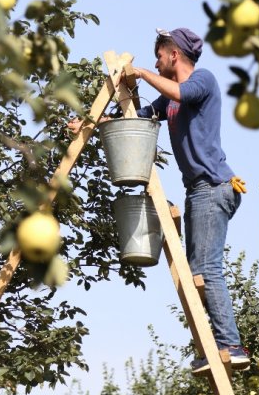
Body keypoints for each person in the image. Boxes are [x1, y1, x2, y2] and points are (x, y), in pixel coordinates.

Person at [68, 27, 249, 373]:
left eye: (159, 55)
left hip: (214, 186)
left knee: (207, 271)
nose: (156, 61)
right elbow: (136, 120)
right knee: (196, 274)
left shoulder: (203, 81)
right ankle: (212, 348)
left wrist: (142, 74)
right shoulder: (170, 100)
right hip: (198, 191)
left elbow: (178, 90)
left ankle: (231, 345)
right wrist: (91, 124)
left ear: (175, 55)